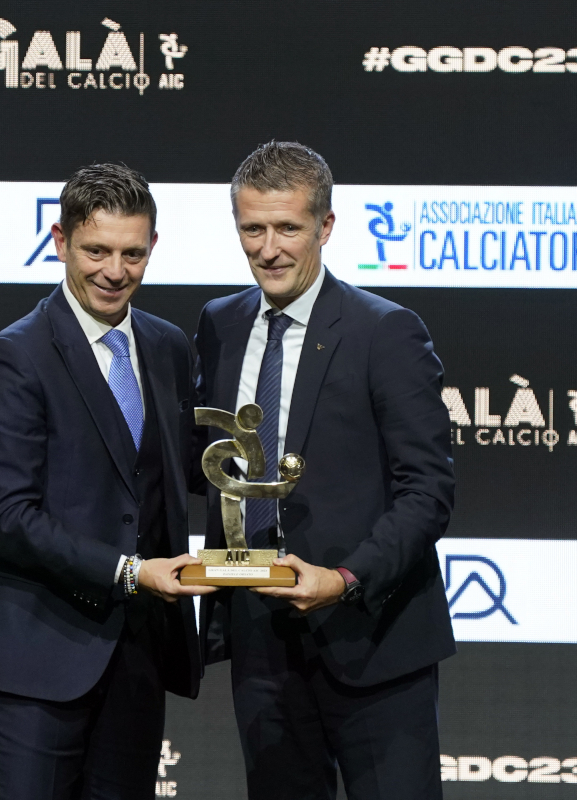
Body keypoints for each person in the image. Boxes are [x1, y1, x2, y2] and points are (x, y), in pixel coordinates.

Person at [192, 142, 456, 800]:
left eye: (288, 228)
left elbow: (427, 493)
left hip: (373, 640)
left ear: (326, 227)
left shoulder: (386, 332)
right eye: (253, 229)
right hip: (261, 644)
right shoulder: (218, 326)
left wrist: (344, 579)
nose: (270, 248)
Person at [0, 163, 215, 800]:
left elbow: (176, 475)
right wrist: (130, 571)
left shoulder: (169, 346)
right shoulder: (16, 356)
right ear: (60, 240)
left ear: (153, 248)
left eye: (132, 253)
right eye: (95, 250)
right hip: (34, 662)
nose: (114, 271)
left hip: (137, 659)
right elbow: (8, 518)